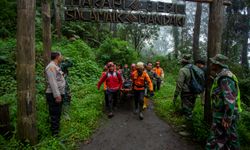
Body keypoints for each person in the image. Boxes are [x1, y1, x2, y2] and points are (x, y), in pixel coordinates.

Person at [206, 54, 241, 150]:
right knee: (231, 139)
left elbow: (230, 99)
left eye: (213, 62)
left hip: (223, 116)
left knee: (214, 141)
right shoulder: (222, 75)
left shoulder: (225, 78)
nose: (211, 64)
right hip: (225, 114)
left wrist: (227, 118)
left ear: (217, 64)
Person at [45, 51, 65, 136]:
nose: (62, 57)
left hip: (59, 93)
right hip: (54, 94)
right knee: (54, 113)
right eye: (61, 55)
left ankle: (56, 130)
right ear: (57, 56)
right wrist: (57, 95)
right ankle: (55, 133)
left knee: (57, 112)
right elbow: (52, 82)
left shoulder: (56, 66)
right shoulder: (51, 67)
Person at [173, 54, 197, 119]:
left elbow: (179, 84)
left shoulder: (183, 70)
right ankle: (190, 120)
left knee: (186, 109)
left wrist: (175, 95)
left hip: (186, 93)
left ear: (183, 62)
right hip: (195, 91)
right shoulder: (195, 68)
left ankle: (187, 125)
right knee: (191, 107)